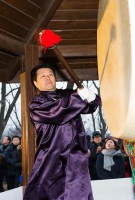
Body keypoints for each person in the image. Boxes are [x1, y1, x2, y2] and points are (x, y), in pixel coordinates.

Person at [23, 64, 101, 200]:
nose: (48, 78)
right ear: (35, 83)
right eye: (42, 76)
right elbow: (57, 112)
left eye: (50, 75)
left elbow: (89, 108)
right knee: (47, 193)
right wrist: (79, 96)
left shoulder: (67, 95)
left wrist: (91, 98)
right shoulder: (36, 104)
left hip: (75, 156)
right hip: (51, 157)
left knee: (78, 193)